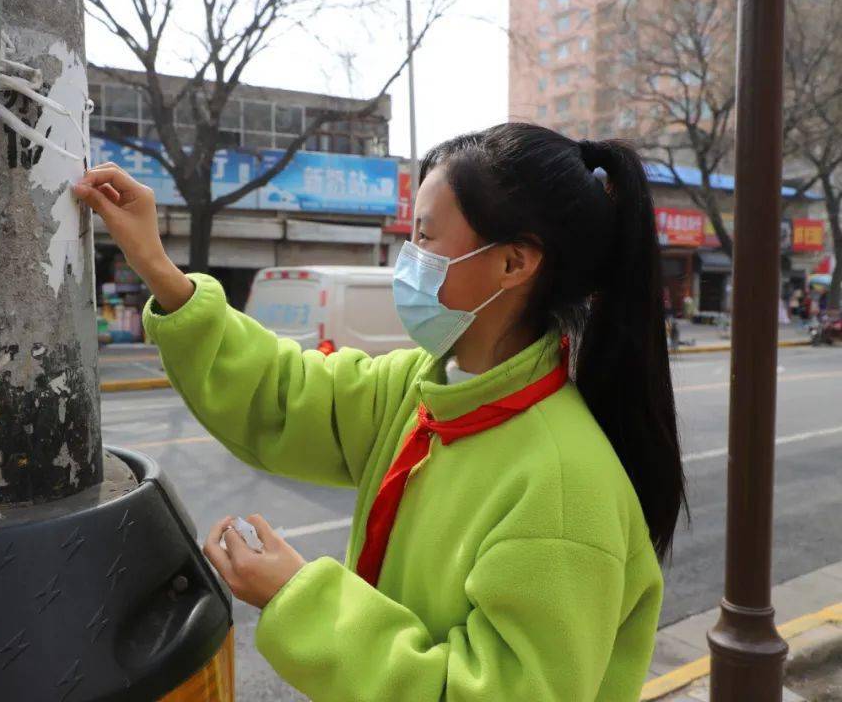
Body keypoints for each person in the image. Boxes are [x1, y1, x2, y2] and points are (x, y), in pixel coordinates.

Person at [73, 123, 686, 702]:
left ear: (513, 263)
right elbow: (282, 395)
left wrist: (300, 599)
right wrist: (159, 270)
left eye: (425, 235)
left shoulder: (562, 487)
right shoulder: (422, 388)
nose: (408, 256)